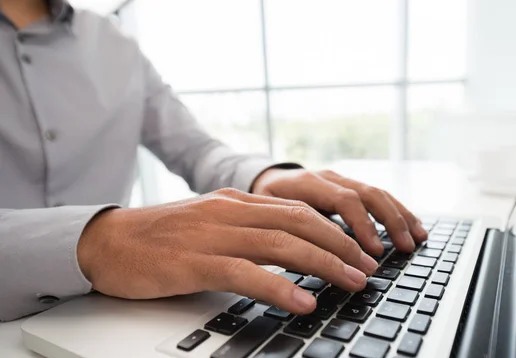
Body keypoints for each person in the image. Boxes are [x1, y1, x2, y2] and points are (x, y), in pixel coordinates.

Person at [0, 0, 428, 322]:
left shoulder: (113, 42)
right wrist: (95, 240)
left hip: (110, 317)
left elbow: (194, 149)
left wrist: (265, 177)